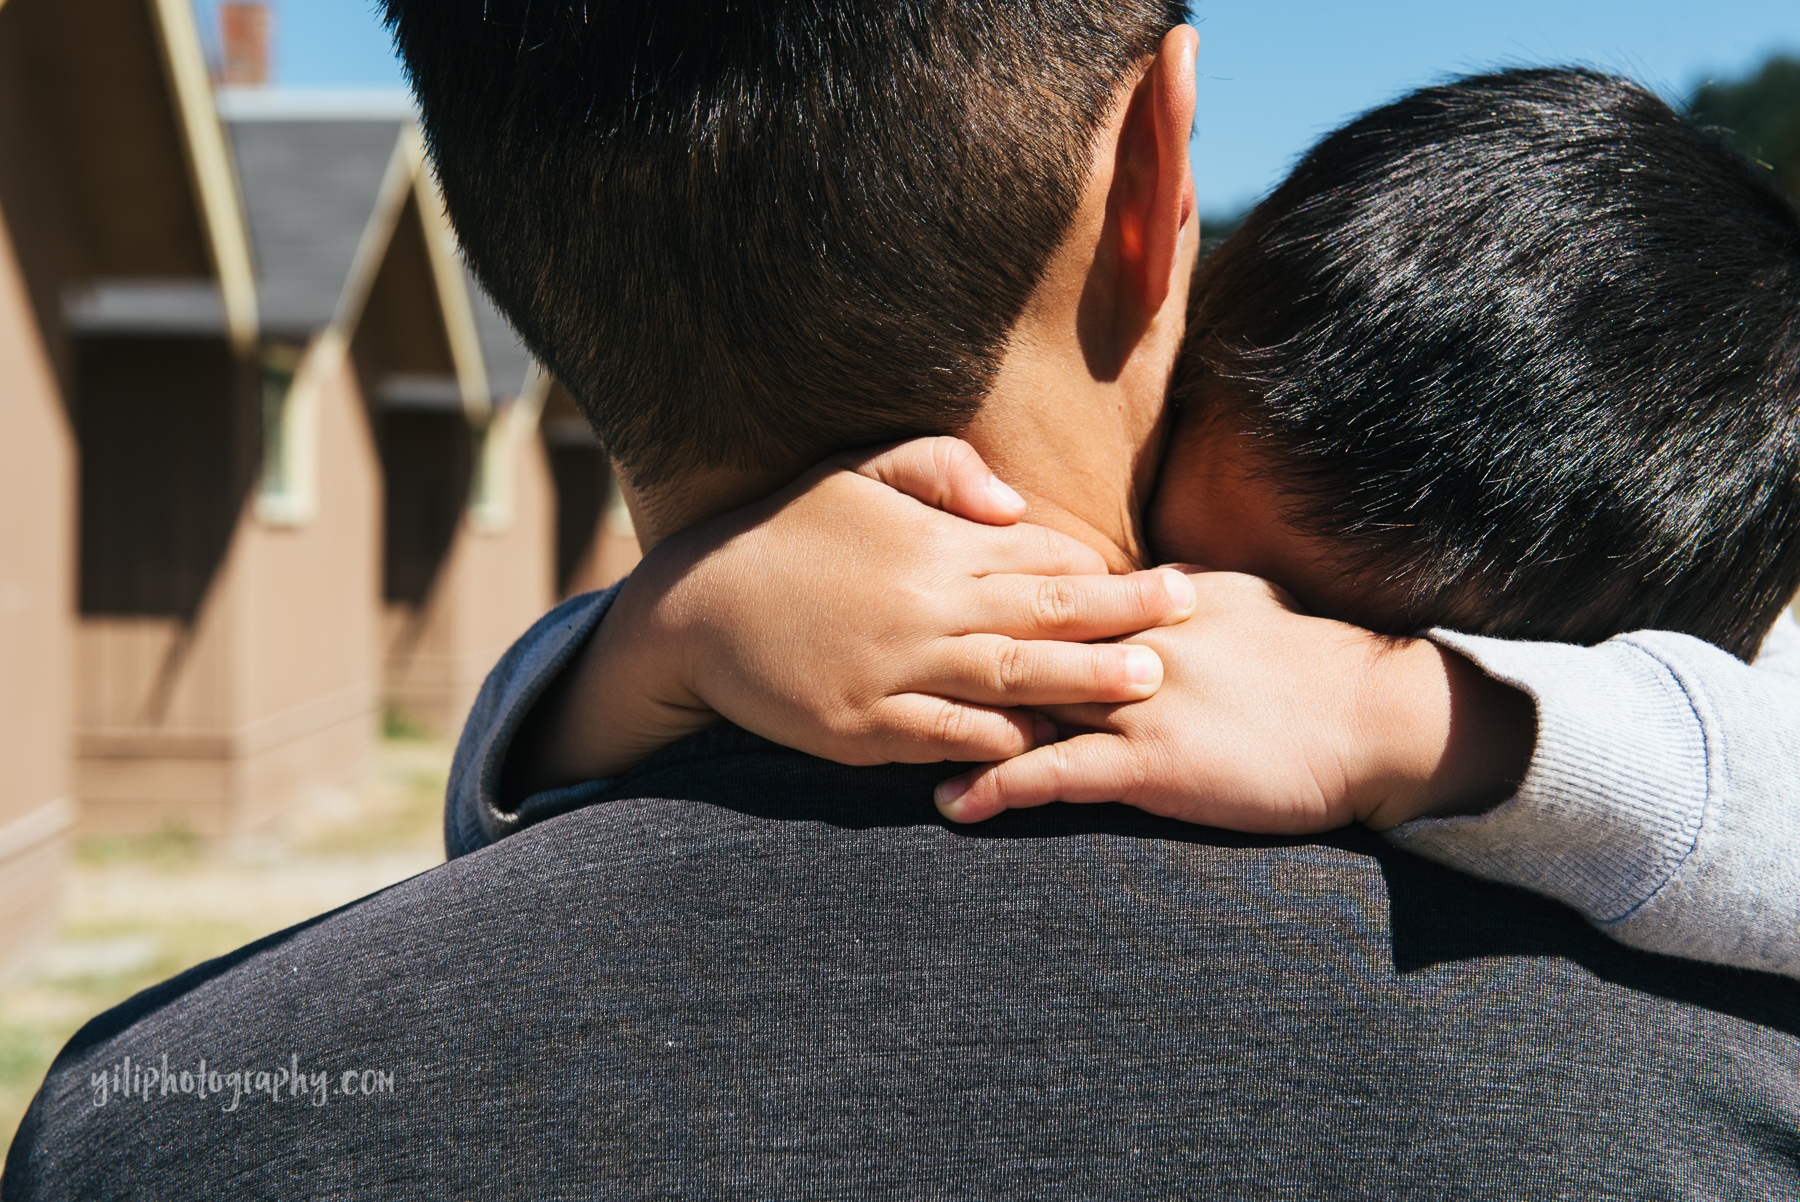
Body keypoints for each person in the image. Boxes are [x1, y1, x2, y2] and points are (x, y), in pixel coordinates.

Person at [8, 8, 1798, 1198]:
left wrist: (1410, 713)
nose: (1213, 649)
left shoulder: (156, 1126)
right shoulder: (1722, 1089)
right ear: (1167, 170)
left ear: (493, 238)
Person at [461, 65, 1800, 981]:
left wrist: (1405, 720)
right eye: (1167, 544)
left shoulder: (1727, 692)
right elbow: (489, 828)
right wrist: (667, 635)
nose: (1184, 644)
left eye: (1305, 629)